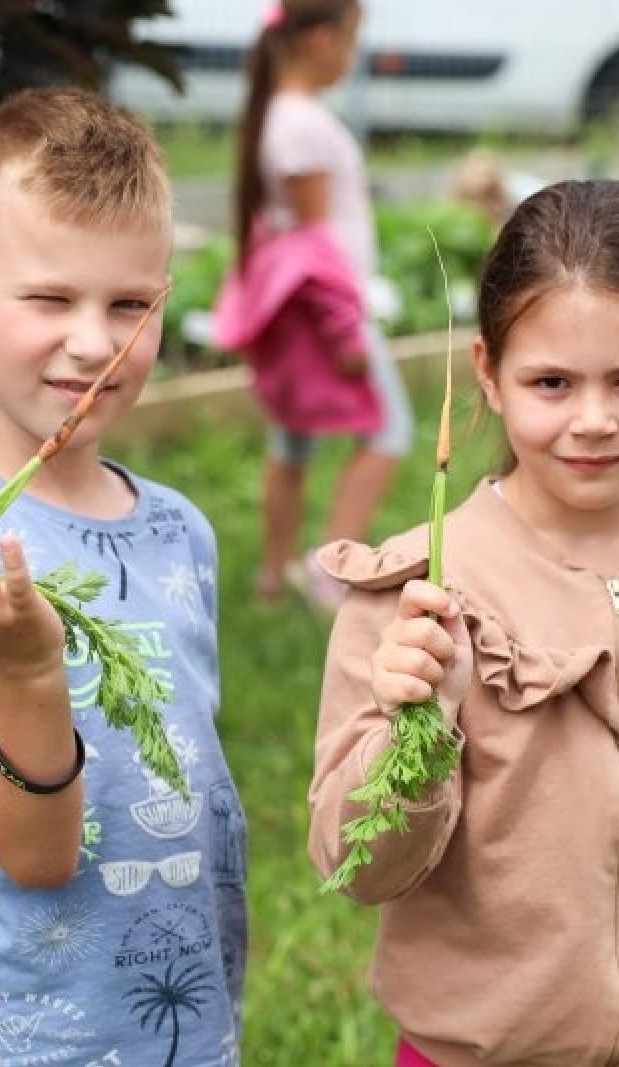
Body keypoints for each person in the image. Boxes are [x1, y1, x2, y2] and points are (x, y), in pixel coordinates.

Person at [309, 180, 619, 1067]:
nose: (593, 420)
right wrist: (416, 730)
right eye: (551, 382)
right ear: (487, 374)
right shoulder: (417, 595)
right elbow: (358, 869)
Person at [0, 87, 247, 1066]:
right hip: (8, 1041)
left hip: (176, 1027)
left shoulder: (179, 532)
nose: (93, 342)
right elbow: (33, 854)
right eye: (49, 299)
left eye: (128, 304)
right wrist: (29, 670)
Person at [213, 0, 413, 612]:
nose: (353, 56)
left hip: (301, 318)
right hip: (328, 317)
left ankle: (275, 578)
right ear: (323, 39)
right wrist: (347, 332)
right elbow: (315, 244)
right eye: (352, 41)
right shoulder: (301, 125)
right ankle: (332, 567)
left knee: (292, 442)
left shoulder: (280, 116)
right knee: (391, 432)